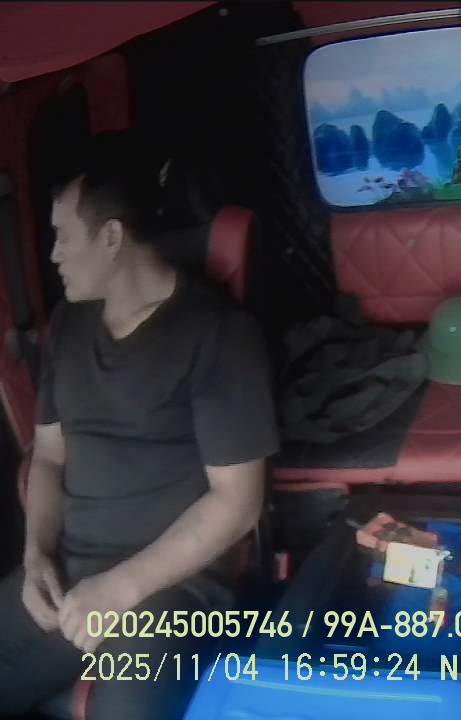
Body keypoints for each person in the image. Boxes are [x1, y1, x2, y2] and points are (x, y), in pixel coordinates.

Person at [0, 134, 278, 718]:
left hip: (176, 590)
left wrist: (120, 589)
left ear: (111, 238)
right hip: (70, 573)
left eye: (63, 237)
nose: (53, 256)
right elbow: (48, 456)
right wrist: (35, 556)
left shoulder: (218, 335)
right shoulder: (67, 326)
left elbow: (238, 503)